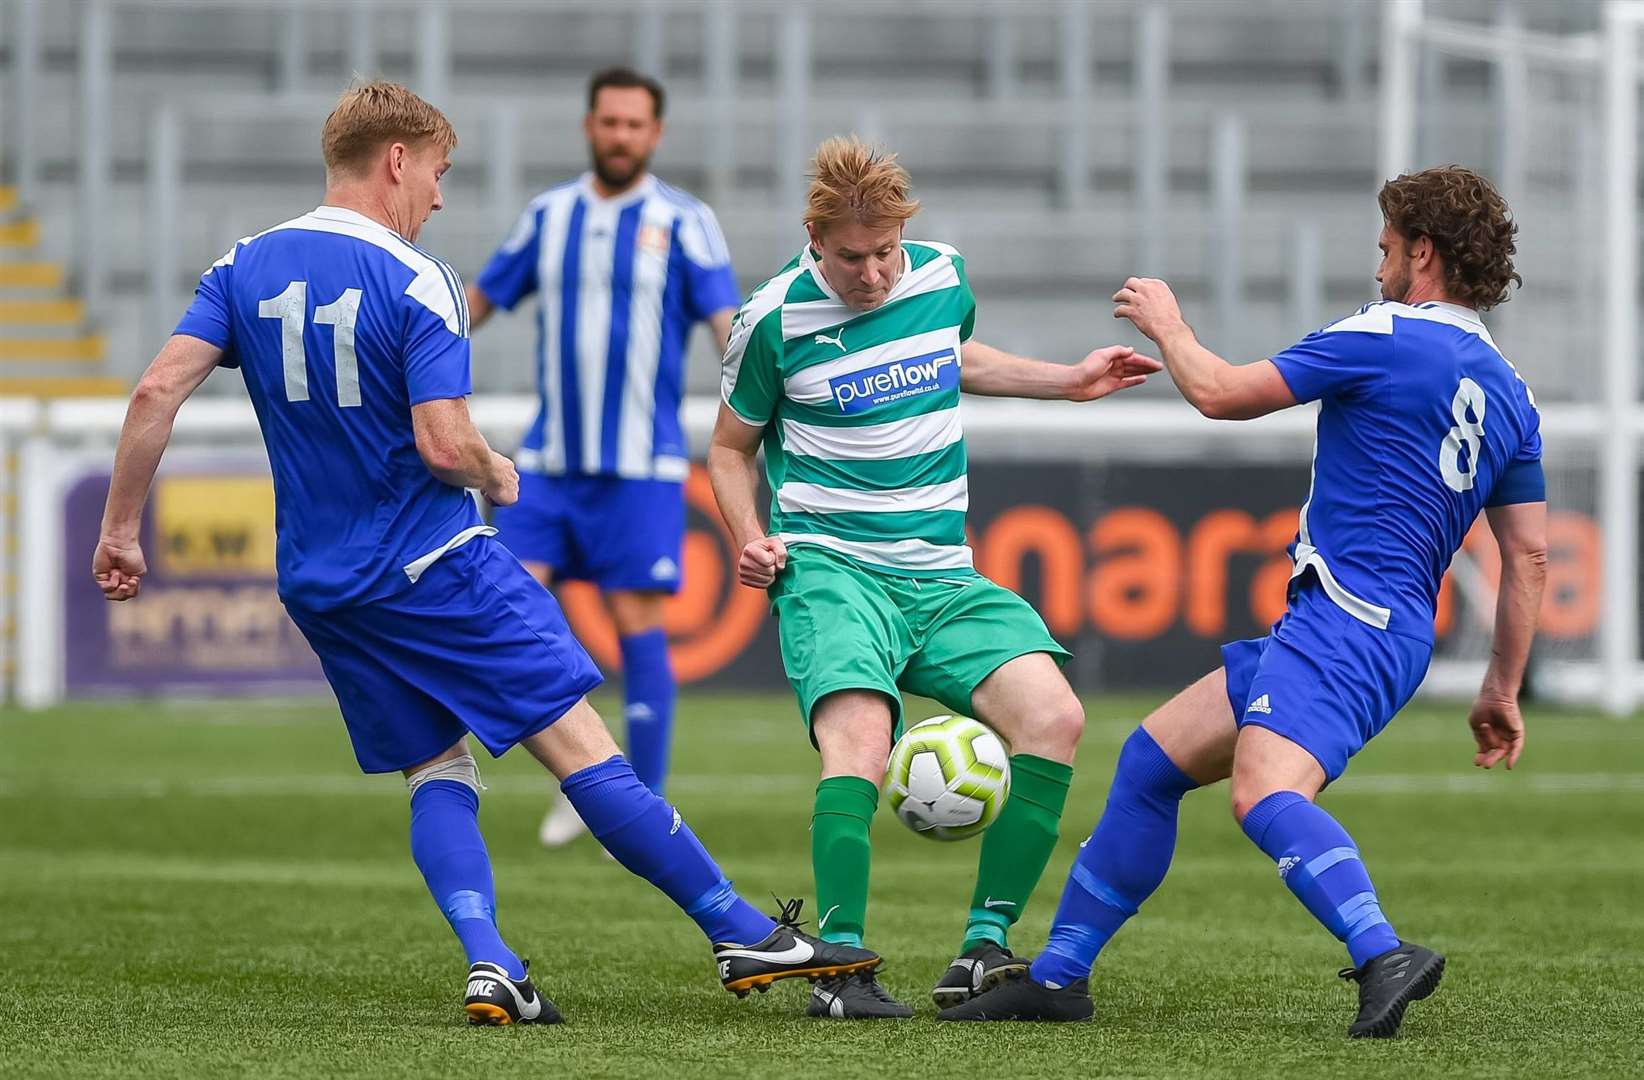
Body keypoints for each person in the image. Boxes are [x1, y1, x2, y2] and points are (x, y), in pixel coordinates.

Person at [92, 80, 877, 1027]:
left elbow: (152, 397)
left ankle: (491, 962)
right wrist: (500, 475)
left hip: (322, 583)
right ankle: (739, 931)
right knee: (582, 747)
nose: (439, 195)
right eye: (437, 172)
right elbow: (442, 443)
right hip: (434, 563)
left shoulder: (242, 264)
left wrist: (121, 531)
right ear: (395, 160)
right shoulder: (415, 276)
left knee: (439, 771)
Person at [939, 166, 1545, 1039]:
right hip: (1386, 628)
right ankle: (1062, 976)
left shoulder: (1383, 334)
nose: (1377, 265)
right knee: (1151, 763)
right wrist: (1501, 686)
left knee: (1263, 792)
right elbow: (1527, 553)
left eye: (1386, 248)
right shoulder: (1512, 392)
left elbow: (1221, 394)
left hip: (1345, 618)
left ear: (1423, 253)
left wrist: (1168, 323)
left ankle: (1382, 952)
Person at [708, 135, 1161, 1019]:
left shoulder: (941, 273)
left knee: (1056, 717)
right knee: (862, 743)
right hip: (833, 567)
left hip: (943, 574)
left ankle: (983, 950)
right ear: (815, 236)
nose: (873, 273)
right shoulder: (770, 320)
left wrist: (1066, 380)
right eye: (852, 257)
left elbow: (955, 358)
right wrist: (750, 536)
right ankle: (839, 970)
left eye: (885, 252)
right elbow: (729, 450)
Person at [466, 67, 740, 847]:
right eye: (609, 122)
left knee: (636, 625)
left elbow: (729, 330)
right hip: (549, 461)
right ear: (590, 126)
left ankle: (639, 805)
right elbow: (479, 299)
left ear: (655, 135)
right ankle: (578, 774)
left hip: (640, 465)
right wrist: (417, 356)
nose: (620, 135)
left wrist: (757, 410)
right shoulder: (548, 216)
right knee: (507, 608)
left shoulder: (686, 222)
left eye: (634, 124)